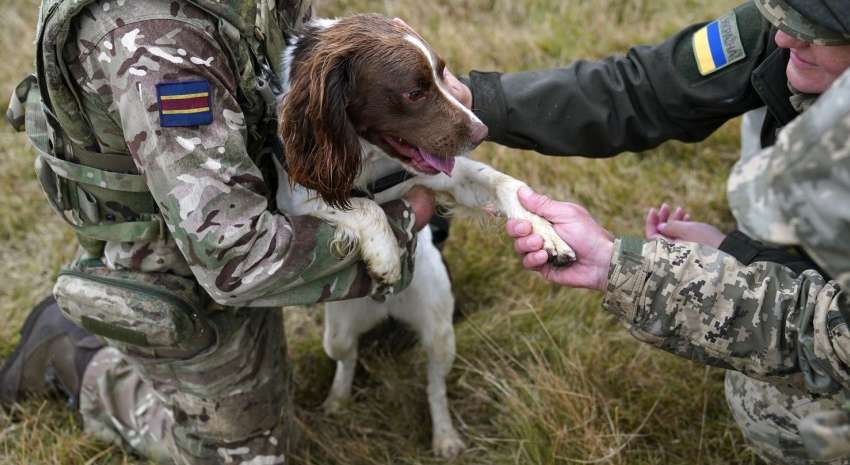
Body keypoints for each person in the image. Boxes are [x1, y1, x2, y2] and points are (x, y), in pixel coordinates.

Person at [0, 1, 436, 464]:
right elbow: (234, 258)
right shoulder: (159, 41)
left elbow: (297, 75)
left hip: (257, 191)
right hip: (180, 258)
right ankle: (78, 359)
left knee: (268, 410)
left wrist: (430, 103)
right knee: (248, 457)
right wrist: (400, 223)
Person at [459, 0, 850, 462]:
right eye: (785, 18)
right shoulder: (791, 24)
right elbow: (646, 88)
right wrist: (471, 104)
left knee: (773, 406)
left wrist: (628, 266)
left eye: (815, 31)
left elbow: (824, 334)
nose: (785, 38)